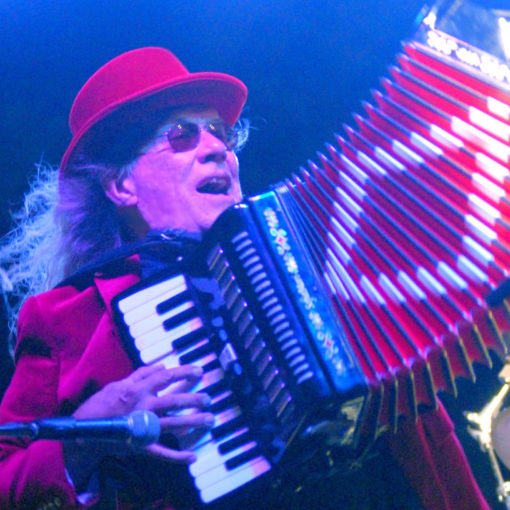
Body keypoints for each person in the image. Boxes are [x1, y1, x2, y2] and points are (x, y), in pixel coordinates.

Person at [0, 47, 492, 510]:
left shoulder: (318, 250)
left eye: (220, 134)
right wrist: (85, 436)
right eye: (181, 135)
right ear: (121, 185)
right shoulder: (66, 317)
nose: (217, 148)